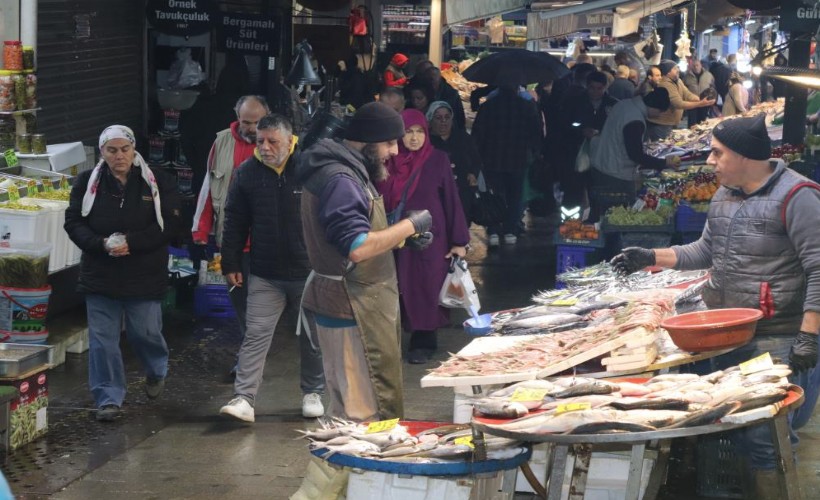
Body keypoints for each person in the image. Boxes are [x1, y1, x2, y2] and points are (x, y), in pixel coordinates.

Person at [611, 114, 820, 499]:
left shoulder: (798, 196)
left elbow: (818, 267)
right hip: (727, 336)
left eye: (717, 152)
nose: (709, 160)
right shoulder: (726, 193)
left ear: (744, 156)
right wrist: (649, 255)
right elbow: (705, 250)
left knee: (765, 439)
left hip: (775, 338)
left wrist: (809, 336)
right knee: (727, 429)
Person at [296, 102, 434, 421]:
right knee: (359, 414)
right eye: (388, 143)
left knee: (350, 408)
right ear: (368, 141)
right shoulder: (341, 179)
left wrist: (403, 239)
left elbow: (356, 233)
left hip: (348, 303)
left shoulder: (341, 168)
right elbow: (356, 246)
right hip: (351, 305)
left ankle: (345, 471)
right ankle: (347, 472)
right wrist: (411, 225)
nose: (394, 151)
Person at [64, 125, 181, 422]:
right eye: (111, 150)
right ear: (102, 152)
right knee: (103, 341)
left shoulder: (156, 182)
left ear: (134, 150)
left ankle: (156, 370)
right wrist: (100, 244)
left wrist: (133, 243)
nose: (119, 156)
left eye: (124, 149)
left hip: (144, 274)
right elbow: (74, 222)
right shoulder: (86, 183)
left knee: (145, 333)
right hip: (100, 274)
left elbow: (169, 223)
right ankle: (108, 397)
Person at [217, 114, 325, 422]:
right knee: (256, 334)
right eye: (259, 141)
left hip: (309, 271)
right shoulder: (246, 173)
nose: (264, 147)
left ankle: (313, 391)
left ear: (290, 140)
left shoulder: (309, 169)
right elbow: (235, 219)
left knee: (312, 336)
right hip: (265, 272)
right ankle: (244, 398)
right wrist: (231, 261)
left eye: (272, 141)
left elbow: (329, 214)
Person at [377, 109, 470, 364]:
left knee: (424, 287)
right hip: (391, 235)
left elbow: (452, 200)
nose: (414, 138)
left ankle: (424, 341)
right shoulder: (386, 162)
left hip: (428, 238)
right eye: (408, 132)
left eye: (419, 132)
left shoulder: (437, 159)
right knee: (392, 287)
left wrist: (459, 241)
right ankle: (388, 342)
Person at [191, 95, 269, 379]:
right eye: (245, 122)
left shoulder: (277, 143)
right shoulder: (221, 142)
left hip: (267, 242)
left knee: (263, 306)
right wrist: (201, 229)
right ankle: (250, 361)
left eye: (256, 123)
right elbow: (209, 186)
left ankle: (252, 361)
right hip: (233, 241)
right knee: (242, 306)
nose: (250, 128)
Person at [588, 88, 680, 221]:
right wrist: (664, 163)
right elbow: (635, 154)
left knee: (601, 214)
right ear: (654, 107)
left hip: (601, 164)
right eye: (660, 112)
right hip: (615, 173)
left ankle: (601, 236)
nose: (659, 115)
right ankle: (611, 241)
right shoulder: (635, 120)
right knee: (617, 218)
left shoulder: (624, 104)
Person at [471, 84, 543, 246]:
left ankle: (494, 230)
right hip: (518, 158)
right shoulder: (526, 106)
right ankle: (511, 230)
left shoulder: (488, 107)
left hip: (492, 159)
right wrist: (535, 152)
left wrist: (477, 158)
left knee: (495, 196)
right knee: (515, 196)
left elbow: (478, 133)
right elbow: (536, 132)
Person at [427, 101, 481, 224]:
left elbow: (476, 158)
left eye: (447, 117)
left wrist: (473, 173)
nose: (443, 122)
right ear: (430, 119)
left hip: (462, 190)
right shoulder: (427, 142)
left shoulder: (463, 138)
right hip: (436, 192)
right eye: (438, 118)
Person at [646, 60, 715, 141]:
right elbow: (678, 104)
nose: (678, 70)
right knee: (662, 148)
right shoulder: (665, 84)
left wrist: (701, 99)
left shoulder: (678, 81)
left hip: (671, 123)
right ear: (668, 72)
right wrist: (700, 104)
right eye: (675, 68)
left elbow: (687, 94)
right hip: (661, 124)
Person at [423, 67, 466, 131]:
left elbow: (460, 115)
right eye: (428, 78)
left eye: (433, 76)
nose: (431, 79)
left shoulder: (451, 93)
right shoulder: (423, 92)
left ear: (440, 78)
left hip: (449, 129)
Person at [683, 59, 715, 125]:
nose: (696, 67)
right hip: (692, 103)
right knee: (692, 123)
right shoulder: (686, 76)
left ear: (701, 65)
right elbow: (683, 89)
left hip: (704, 102)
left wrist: (713, 99)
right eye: (694, 66)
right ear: (691, 67)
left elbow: (713, 87)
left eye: (697, 65)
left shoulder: (708, 75)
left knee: (702, 122)